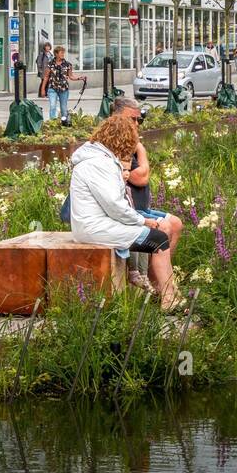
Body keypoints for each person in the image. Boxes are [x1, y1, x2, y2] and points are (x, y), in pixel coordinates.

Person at [68, 114, 182, 312]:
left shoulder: (95, 159)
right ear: (123, 140)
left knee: (157, 237)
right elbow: (115, 205)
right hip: (95, 228)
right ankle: (168, 298)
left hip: (93, 224)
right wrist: (142, 221)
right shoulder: (100, 164)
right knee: (158, 239)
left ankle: (168, 291)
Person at [112, 95, 183, 291]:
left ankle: (158, 282)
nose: (137, 124)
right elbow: (140, 177)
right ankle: (157, 285)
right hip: (130, 209)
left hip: (142, 207)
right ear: (116, 118)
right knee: (164, 228)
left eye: (139, 119)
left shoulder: (129, 141)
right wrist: (141, 148)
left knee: (176, 224)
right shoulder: (119, 143)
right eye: (131, 119)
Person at [39, 45, 85, 123]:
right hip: (52, 88)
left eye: (63, 53)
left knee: (63, 108)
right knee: (53, 106)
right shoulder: (50, 64)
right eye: (61, 53)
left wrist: (79, 78)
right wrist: (42, 89)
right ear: (56, 54)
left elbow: (71, 76)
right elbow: (46, 77)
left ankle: (64, 123)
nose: (63, 54)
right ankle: (52, 123)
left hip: (64, 89)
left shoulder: (68, 64)